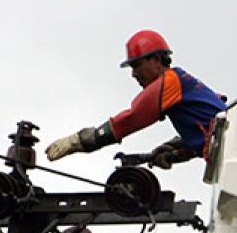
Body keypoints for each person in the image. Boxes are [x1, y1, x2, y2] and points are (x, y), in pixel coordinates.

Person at [45, 30, 226, 168]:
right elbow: (206, 130)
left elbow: (131, 119)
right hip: (230, 153)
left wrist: (78, 141)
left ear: (156, 60)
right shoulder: (184, 84)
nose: (133, 74)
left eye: (137, 65)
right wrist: (171, 151)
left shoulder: (171, 82)